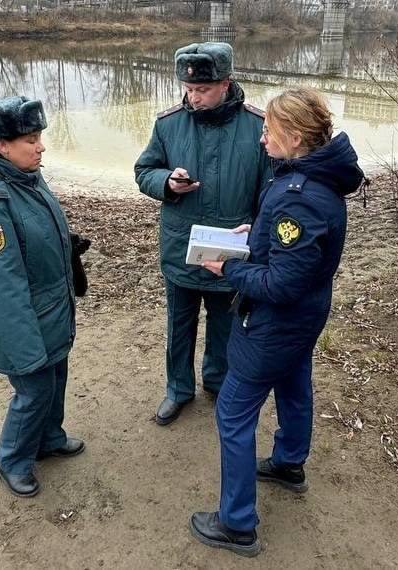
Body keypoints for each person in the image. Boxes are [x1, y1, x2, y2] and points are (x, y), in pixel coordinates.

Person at [190, 88, 364, 556]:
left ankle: (237, 523)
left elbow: (282, 284)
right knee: (293, 383)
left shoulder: (301, 197)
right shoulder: (310, 177)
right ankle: (289, 463)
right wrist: (257, 234)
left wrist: (228, 268)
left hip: (275, 324)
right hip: (304, 320)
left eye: (268, 131)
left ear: (293, 135)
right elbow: (295, 253)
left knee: (232, 411)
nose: (262, 138)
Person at [134, 42, 272, 426]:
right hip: (181, 248)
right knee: (179, 325)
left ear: (226, 83)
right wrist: (166, 182)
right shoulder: (168, 124)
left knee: (225, 325)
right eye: (189, 89)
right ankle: (178, 390)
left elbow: (271, 191)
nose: (193, 97)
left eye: (203, 90)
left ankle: (217, 383)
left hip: (231, 251)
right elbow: (143, 171)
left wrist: (258, 235)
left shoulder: (258, 127)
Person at [0, 96, 84, 498]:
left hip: (51, 309)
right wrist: (23, 348)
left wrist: (65, 245)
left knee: (56, 378)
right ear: (2, 146)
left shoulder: (29, 178)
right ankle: (11, 460)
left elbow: (35, 235)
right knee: (34, 391)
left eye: (40, 136)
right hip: (24, 321)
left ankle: (49, 438)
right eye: (31, 139)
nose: (41, 146)